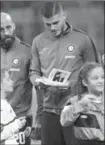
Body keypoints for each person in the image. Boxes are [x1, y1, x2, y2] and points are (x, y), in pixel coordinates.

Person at [29, 2, 101, 145]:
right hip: (49, 111)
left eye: (55, 23)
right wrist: (38, 81)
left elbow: (95, 73)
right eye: (47, 24)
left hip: (76, 109)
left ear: (64, 16)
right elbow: (34, 72)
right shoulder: (38, 41)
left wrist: (70, 84)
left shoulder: (83, 40)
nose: (52, 28)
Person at [1, 12, 33, 144]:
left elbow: (39, 85)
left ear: (14, 26)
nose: (6, 32)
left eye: (8, 27)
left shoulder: (27, 52)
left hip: (20, 118)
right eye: (1, 29)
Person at [60, 62, 104, 145]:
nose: (101, 81)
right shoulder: (74, 101)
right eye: (95, 78)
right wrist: (80, 104)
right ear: (85, 82)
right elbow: (64, 121)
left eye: (103, 77)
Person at [1, 71, 26, 145]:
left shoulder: (5, 102)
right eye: (8, 79)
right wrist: (17, 124)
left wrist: (18, 123)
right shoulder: (1, 105)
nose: (12, 82)